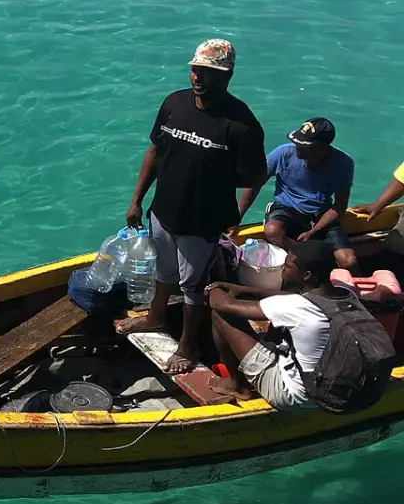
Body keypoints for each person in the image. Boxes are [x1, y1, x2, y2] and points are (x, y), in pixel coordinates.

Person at [117, 38, 267, 374]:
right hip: (162, 212)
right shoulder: (174, 103)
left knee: (193, 288)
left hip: (202, 223)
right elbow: (155, 151)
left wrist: (237, 212)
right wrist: (137, 200)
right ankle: (155, 318)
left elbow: (256, 176)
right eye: (194, 69)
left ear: (226, 76)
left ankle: (188, 348)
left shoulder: (241, 126)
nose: (197, 77)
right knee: (164, 272)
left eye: (207, 72)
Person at [205, 241, 346, 409]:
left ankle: (239, 387)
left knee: (221, 315)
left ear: (306, 275)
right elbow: (287, 296)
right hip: (332, 385)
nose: (282, 269)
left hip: (296, 397)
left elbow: (223, 305)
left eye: (287, 266)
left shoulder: (297, 306)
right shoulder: (346, 295)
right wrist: (244, 290)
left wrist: (213, 288)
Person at [232, 118, 359, 273]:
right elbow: (255, 184)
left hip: (320, 216)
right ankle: (301, 260)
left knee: (349, 261)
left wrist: (314, 231)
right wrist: (236, 218)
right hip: (286, 209)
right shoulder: (283, 153)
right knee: (272, 230)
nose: (297, 146)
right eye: (297, 141)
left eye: (305, 145)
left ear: (323, 149)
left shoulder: (344, 163)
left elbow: (339, 206)